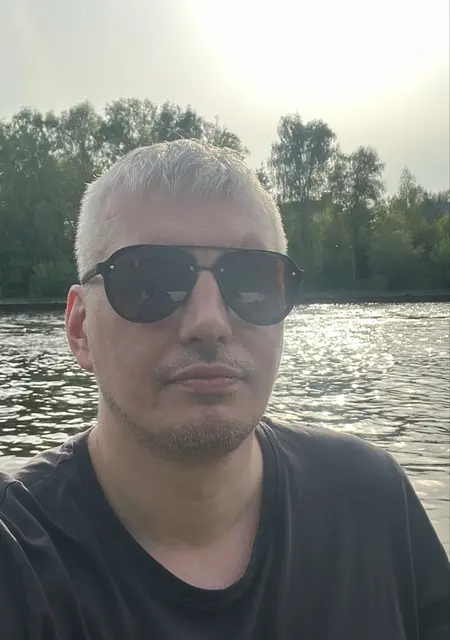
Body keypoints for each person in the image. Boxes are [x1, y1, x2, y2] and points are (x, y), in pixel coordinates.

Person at [0, 140, 448, 640]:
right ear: (80, 328)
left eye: (253, 280)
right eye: (151, 281)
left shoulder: (371, 501)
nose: (210, 323)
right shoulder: (17, 557)